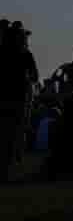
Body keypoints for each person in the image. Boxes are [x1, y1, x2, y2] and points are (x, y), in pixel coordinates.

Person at [0, 20, 40, 182]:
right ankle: (9, 165)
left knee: (4, 132)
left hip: (2, 95)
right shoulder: (26, 54)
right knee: (15, 132)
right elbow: (35, 76)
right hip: (19, 96)